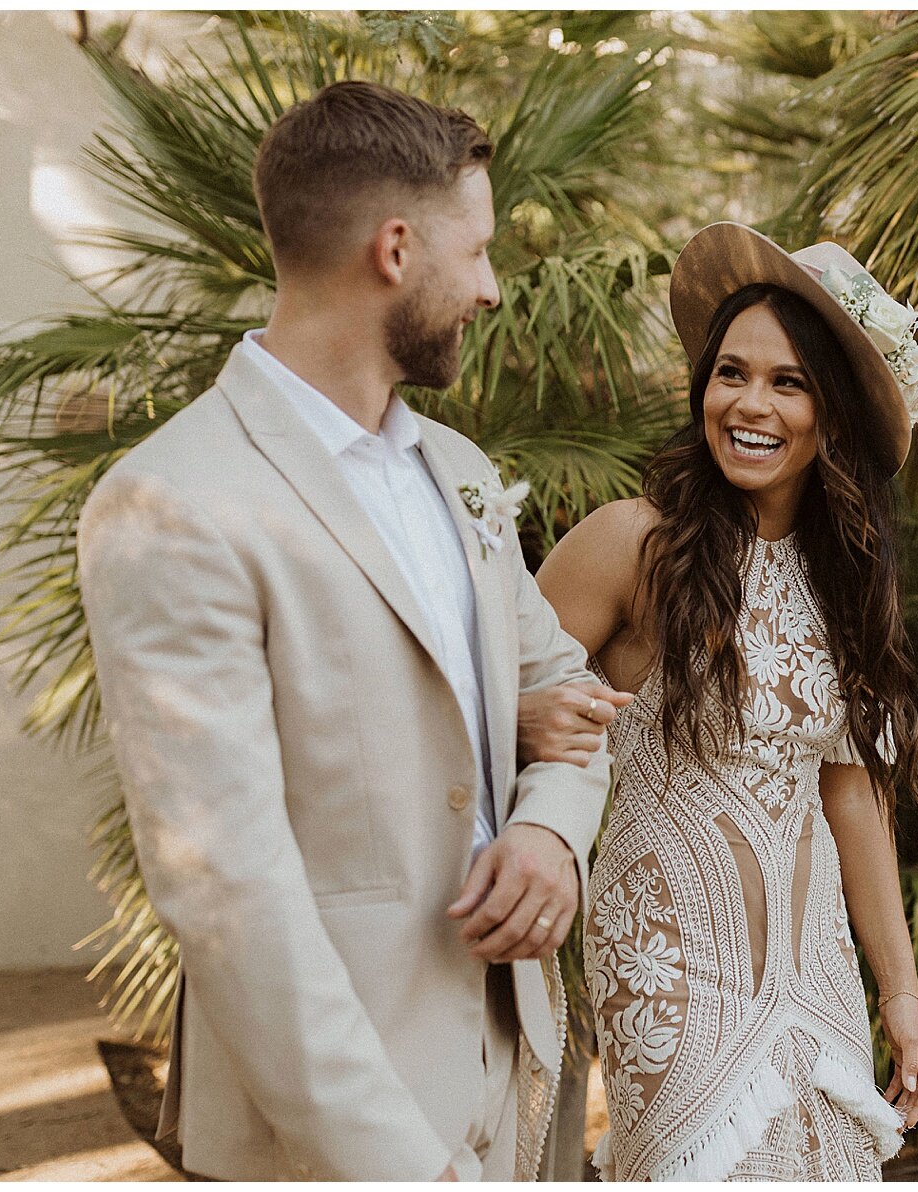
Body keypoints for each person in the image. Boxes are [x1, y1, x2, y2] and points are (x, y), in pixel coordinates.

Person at [76, 80, 619, 1182]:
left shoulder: (460, 474)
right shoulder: (172, 498)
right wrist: (395, 1162)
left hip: (517, 1075)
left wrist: (552, 834)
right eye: (475, 252)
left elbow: (565, 691)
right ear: (396, 247)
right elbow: (226, 882)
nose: (491, 288)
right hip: (335, 1127)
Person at [524, 222, 918, 1180]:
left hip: (817, 972)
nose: (750, 404)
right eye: (731, 373)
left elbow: (852, 797)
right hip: (666, 969)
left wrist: (901, 994)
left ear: (832, 414)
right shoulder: (636, 543)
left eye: (788, 382)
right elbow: (491, 700)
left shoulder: (848, 583)